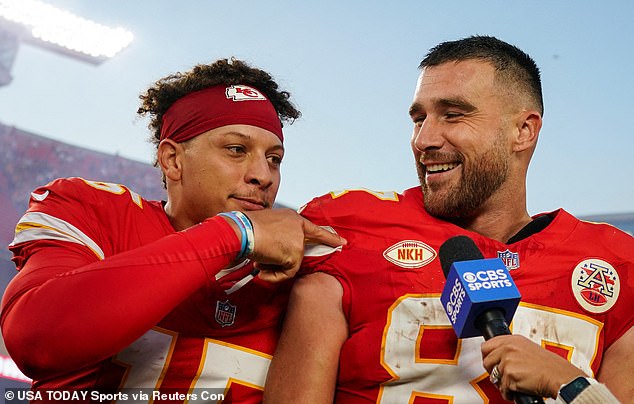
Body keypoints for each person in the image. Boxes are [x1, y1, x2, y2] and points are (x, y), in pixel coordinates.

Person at [264, 36, 633, 403]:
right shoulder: (352, 228)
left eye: (453, 115)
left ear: (523, 131)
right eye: (418, 119)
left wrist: (571, 385)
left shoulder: (614, 260)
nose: (424, 139)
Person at [0, 58, 345, 402]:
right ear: (173, 160)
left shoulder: (306, 263)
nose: (264, 175)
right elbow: (36, 339)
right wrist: (232, 234)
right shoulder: (96, 212)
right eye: (237, 150)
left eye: (274, 158)